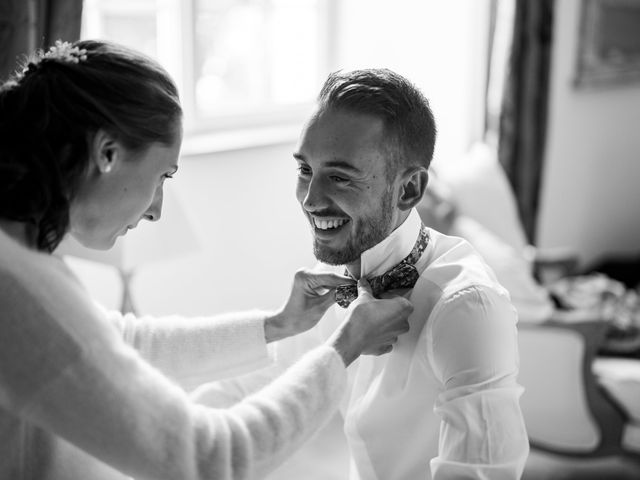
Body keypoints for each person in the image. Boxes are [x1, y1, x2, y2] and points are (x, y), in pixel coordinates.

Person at [0, 41, 414, 480]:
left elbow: (119, 342)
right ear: (107, 153)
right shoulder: (17, 289)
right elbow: (213, 457)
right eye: (162, 176)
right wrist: (342, 350)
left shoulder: (20, 257)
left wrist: (277, 324)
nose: (156, 209)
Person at [196, 68, 530, 479]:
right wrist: (180, 425)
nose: (311, 200)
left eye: (339, 177)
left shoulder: (468, 306)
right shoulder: (333, 277)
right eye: (305, 171)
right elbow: (267, 382)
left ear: (408, 189)